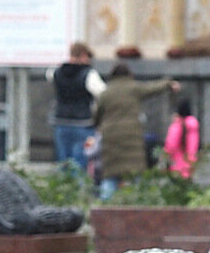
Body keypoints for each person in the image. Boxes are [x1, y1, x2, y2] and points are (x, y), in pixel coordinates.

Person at [93, 63, 180, 200]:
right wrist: (168, 84)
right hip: (132, 137)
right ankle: (140, 200)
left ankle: (104, 205)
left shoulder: (105, 93)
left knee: (111, 175)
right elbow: (152, 88)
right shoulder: (133, 88)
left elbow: (96, 116)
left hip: (111, 138)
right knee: (136, 174)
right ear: (129, 75)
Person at [48, 41, 105, 170]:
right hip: (83, 123)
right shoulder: (89, 74)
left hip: (61, 121)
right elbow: (102, 93)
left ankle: (63, 188)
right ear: (84, 55)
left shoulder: (56, 72)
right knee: (80, 162)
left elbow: (50, 77)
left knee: (63, 161)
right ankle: (79, 189)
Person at [164, 98, 200, 179]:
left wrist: (165, 154)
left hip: (177, 163)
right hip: (190, 163)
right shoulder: (193, 125)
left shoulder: (177, 125)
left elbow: (171, 145)